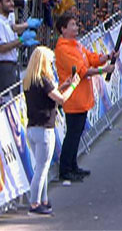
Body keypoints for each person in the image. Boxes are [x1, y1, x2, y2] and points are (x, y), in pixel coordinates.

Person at [54, 13, 117, 182]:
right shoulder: (63, 49)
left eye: (76, 24)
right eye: (72, 25)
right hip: (73, 97)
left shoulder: (76, 45)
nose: (76, 28)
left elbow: (91, 58)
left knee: (77, 132)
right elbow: (82, 71)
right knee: (73, 133)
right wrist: (104, 71)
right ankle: (65, 169)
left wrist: (107, 57)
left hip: (82, 96)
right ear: (63, 29)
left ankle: (73, 165)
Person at [23, 46, 82, 215]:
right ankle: (35, 204)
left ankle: (43, 200)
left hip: (32, 127)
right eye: (50, 62)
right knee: (42, 168)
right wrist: (73, 87)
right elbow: (61, 99)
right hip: (44, 128)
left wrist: (63, 85)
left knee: (41, 166)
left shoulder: (29, 81)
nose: (52, 65)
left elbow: (51, 96)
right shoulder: (44, 80)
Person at [0, 0, 40, 96]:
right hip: (4, 67)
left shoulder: (8, 22)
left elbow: (13, 41)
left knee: (16, 98)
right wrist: (21, 40)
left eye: (12, 0)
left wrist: (23, 42)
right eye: (8, 1)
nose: (12, 3)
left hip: (13, 65)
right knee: (8, 101)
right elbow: (2, 48)